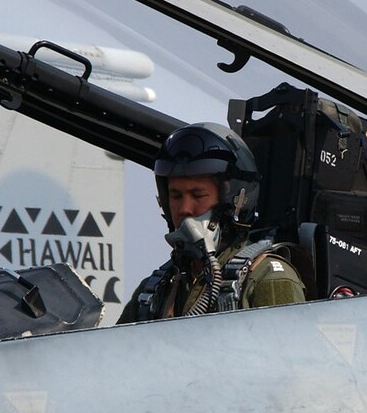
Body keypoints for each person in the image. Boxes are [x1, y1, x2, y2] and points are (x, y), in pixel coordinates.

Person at [117, 122, 305, 324]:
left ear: (235, 202)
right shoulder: (156, 291)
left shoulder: (268, 279)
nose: (185, 209)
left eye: (198, 195)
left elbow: (290, 354)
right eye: (176, 195)